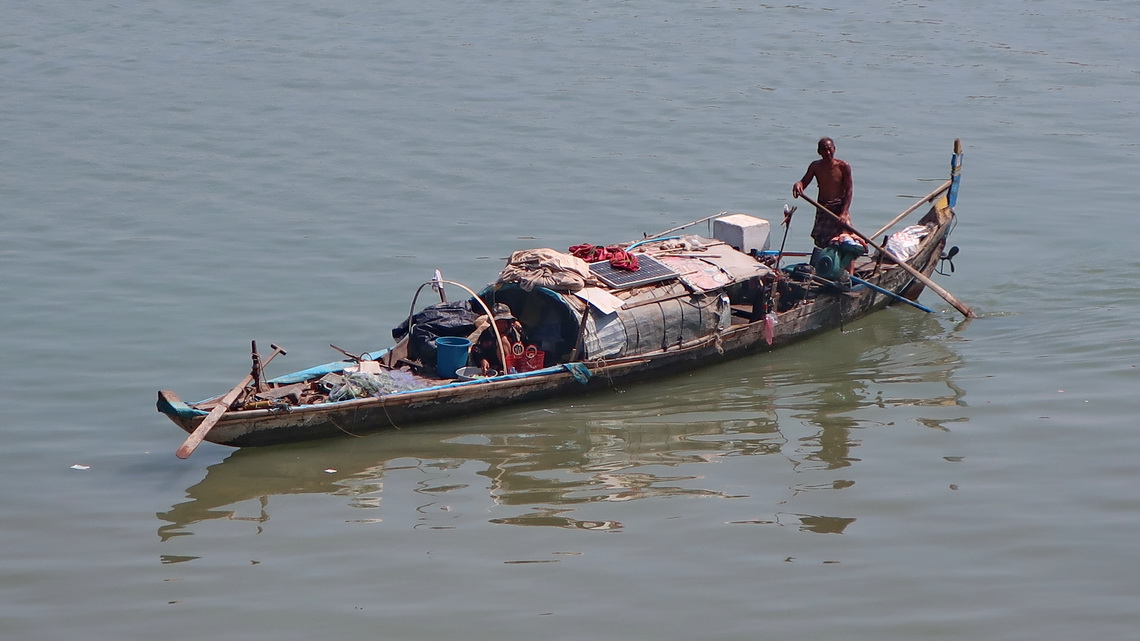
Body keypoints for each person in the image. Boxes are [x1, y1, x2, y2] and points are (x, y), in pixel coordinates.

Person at [792, 137, 856, 273]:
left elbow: (849, 190)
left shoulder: (843, 166)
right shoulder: (815, 166)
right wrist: (799, 185)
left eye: (829, 149)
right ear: (819, 152)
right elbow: (804, 182)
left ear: (834, 149)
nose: (827, 153)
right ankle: (826, 271)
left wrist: (844, 212)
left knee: (847, 242)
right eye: (824, 150)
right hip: (823, 208)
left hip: (839, 208)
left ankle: (850, 277)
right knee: (823, 243)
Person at [468, 303, 525, 375]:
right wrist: (482, 360)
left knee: (503, 340)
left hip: (512, 364)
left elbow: (524, 345)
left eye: (504, 322)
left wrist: (521, 331)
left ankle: (507, 369)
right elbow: (477, 348)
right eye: (499, 323)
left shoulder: (514, 332)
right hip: (493, 366)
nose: (502, 326)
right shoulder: (487, 333)